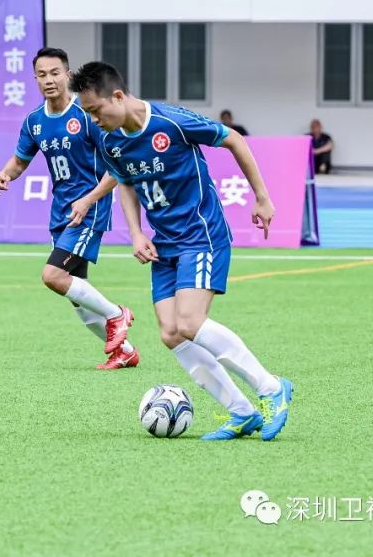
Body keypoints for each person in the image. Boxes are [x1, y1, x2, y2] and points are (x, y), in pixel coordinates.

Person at [69, 61, 293, 442]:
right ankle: (241, 412)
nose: (94, 120)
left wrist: (261, 197)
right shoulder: (109, 141)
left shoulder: (171, 122)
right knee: (172, 333)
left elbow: (234, 139)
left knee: (189, 322)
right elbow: (124, 181)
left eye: (95, 111)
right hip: (164, 244)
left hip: (201, 235)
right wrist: (136, 233)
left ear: (118, 96)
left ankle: (271, 387)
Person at [0, 48, 137, 370]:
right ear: (35, 79)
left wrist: (88, 200)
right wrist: (5, 173)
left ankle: (117, 314)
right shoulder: (35, 121)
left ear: (68, 75)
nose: (49, 80)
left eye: (55, 73)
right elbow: (20, 161)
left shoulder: (87, 115)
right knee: (76, 297)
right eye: (42, 75)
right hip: (62, 211)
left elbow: (116, 168)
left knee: (53, 275)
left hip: (89, 209)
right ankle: (124, 351)